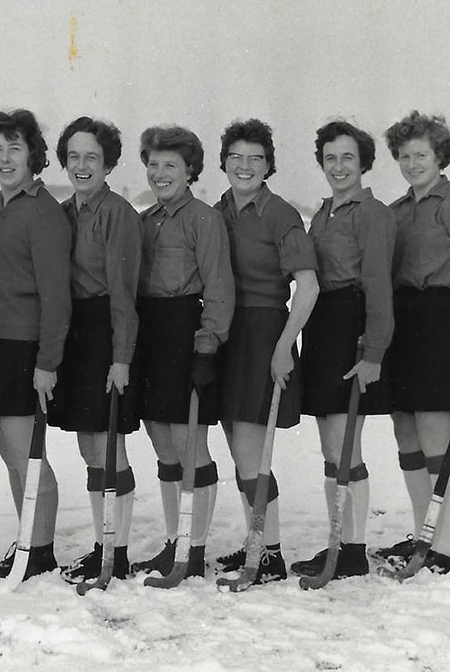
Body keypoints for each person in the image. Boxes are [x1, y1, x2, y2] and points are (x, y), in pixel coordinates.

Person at [375, 111, 450, 573]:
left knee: (435, 436)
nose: (411, 163)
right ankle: (425, 535)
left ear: (440, 155)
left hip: (442, 321)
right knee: (406, 434)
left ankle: (443, 547)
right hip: (403, 326)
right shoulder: (395, 211)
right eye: (404, 155)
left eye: (421, 154)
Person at [211, 119, 318, 584]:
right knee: (239, 449)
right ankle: (258, 543)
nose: (245, 166)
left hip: (263, 332)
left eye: (255, 158)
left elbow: (308, 286)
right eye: (236, 157)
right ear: (223, 163)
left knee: (252, 453)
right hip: (227, 333)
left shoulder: (280, 213)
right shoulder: (219, 210)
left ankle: (269, 553)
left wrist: (283, 348)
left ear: (269, 165)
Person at [0, 109, 72, 581]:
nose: (4, 158)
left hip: (22, 349)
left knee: (29, 457)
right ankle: (28, 540)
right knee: (13, 458)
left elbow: (57, 297)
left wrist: (47, 362)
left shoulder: (43, 212)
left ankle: (41, 549)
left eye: (14, 148)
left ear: (33, 155)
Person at [291, 120, 395, 580]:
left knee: (344, 445)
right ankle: (339, 540)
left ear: (363, 163)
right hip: (322, 327)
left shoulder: (372, 214)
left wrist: (373, 353)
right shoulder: (324, 212)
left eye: (347, 158)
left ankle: (351, 549)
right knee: (331, 445)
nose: (338, 167)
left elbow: (378, 287)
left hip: (350, 325)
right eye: (330, 158)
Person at [130, 125, 234, 579]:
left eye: (170, 165)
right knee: (160, 439)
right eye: (153, 165)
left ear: (190, 170)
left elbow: (219, 287)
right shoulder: (145, 220)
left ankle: (195, 547)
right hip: (150, 332)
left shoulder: (205, 219)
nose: (159, 173)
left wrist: (207, 346)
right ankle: (175, 540)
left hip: (185, 331)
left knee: (188, 441)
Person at [47, 116, 142, 583]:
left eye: (92, 158)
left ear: (108, 164)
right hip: (77, 334)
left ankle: (117, 552)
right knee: (89, 446)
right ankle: (103, 543)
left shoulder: (118, 213)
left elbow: (124, 293)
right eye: (74, 157)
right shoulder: (65, 212)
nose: (82, 166)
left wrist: (121, 358)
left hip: (107, 330)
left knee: (109, 445)